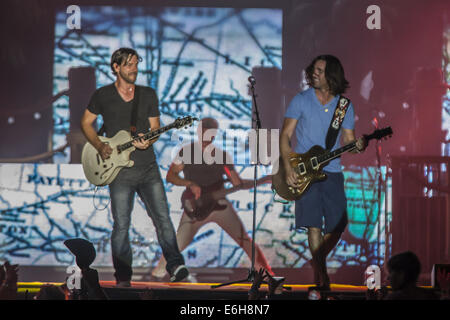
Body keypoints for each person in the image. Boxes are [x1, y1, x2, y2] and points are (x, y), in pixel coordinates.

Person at [81, 47, 188, 287]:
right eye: (128, 65)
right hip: (119, 172)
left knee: (163, 218)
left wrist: (148, 140)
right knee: (121, 225)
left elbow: (155, 128)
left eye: (136, 64)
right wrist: (99, 145)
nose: (134, 69)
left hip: (148, 167)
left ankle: (176, 265)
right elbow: (86, 123)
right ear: (116, 68)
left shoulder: (148, 94)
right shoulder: (102, 95)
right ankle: (123, 278)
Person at [279, 55, 367, 290]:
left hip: (333, 171)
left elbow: (348, 142)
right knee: (313, 225)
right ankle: (322, 278)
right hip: (304, 170)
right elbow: (285, 135)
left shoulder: (344, 107)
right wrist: (288, 167)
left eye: (319, 70)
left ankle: (316, 260)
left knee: (339, 225)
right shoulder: (301, 100)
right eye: (314, 69)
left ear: (332, 76)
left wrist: (358, 146)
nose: (313, 73)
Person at [151, 117, 273, 280]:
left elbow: (237, 183)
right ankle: (156, 276)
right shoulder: (186, 151)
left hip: (219, 205)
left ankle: (268, 276)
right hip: (194, 207)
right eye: (203, 130)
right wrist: (190, 183)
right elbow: (171, 176)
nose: (206, 134)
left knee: (244, 239)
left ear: (214, 134)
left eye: (210, 131)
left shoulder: (222, 156)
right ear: (199, 131)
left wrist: (264, 180)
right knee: (176, 245)